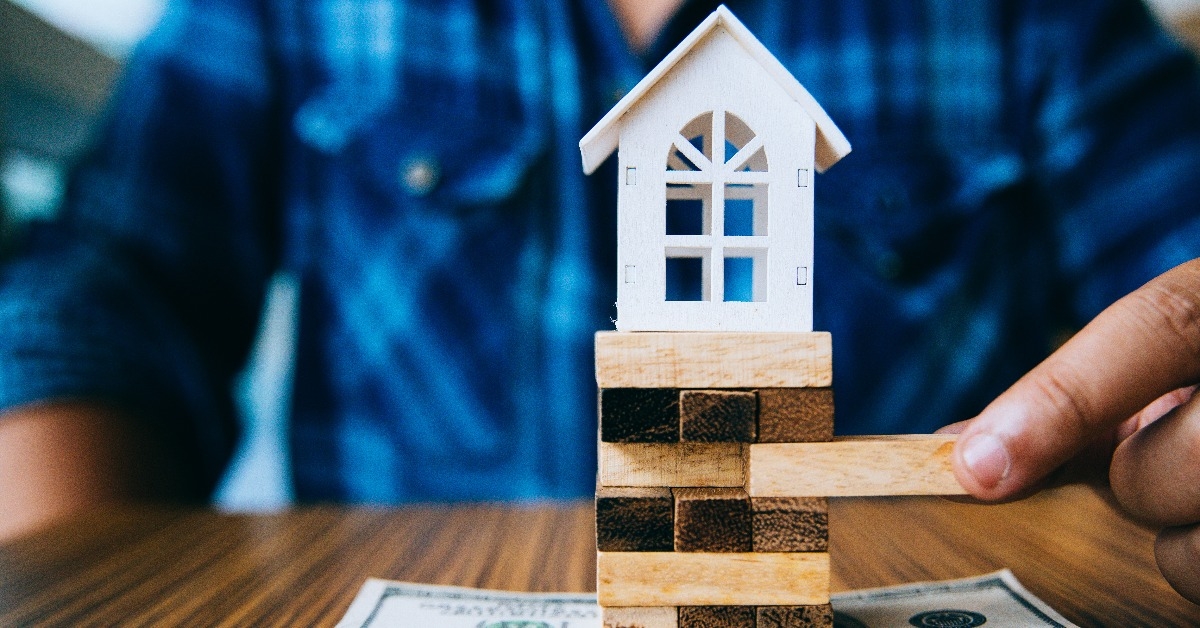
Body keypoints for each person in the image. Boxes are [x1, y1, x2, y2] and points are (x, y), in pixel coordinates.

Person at [0, 0, 1199, 602]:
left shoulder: (1038, 20)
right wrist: (72, 568)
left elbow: (1177, 282)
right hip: (401, 564)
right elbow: (111, 277)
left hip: (864, 562)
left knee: (726, 572)